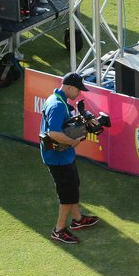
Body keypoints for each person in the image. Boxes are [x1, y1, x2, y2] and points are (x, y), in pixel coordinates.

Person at [39, 72, 102, 244]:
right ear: (68, 87)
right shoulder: (58, 105)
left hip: (63, 155)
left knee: (73, 186)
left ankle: (78, 219)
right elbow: (53, 132)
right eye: (78, 90)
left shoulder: (58, 100)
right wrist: (73, 141)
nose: (79, 93)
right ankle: (59, 230)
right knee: (67, 195)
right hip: (57, 158)